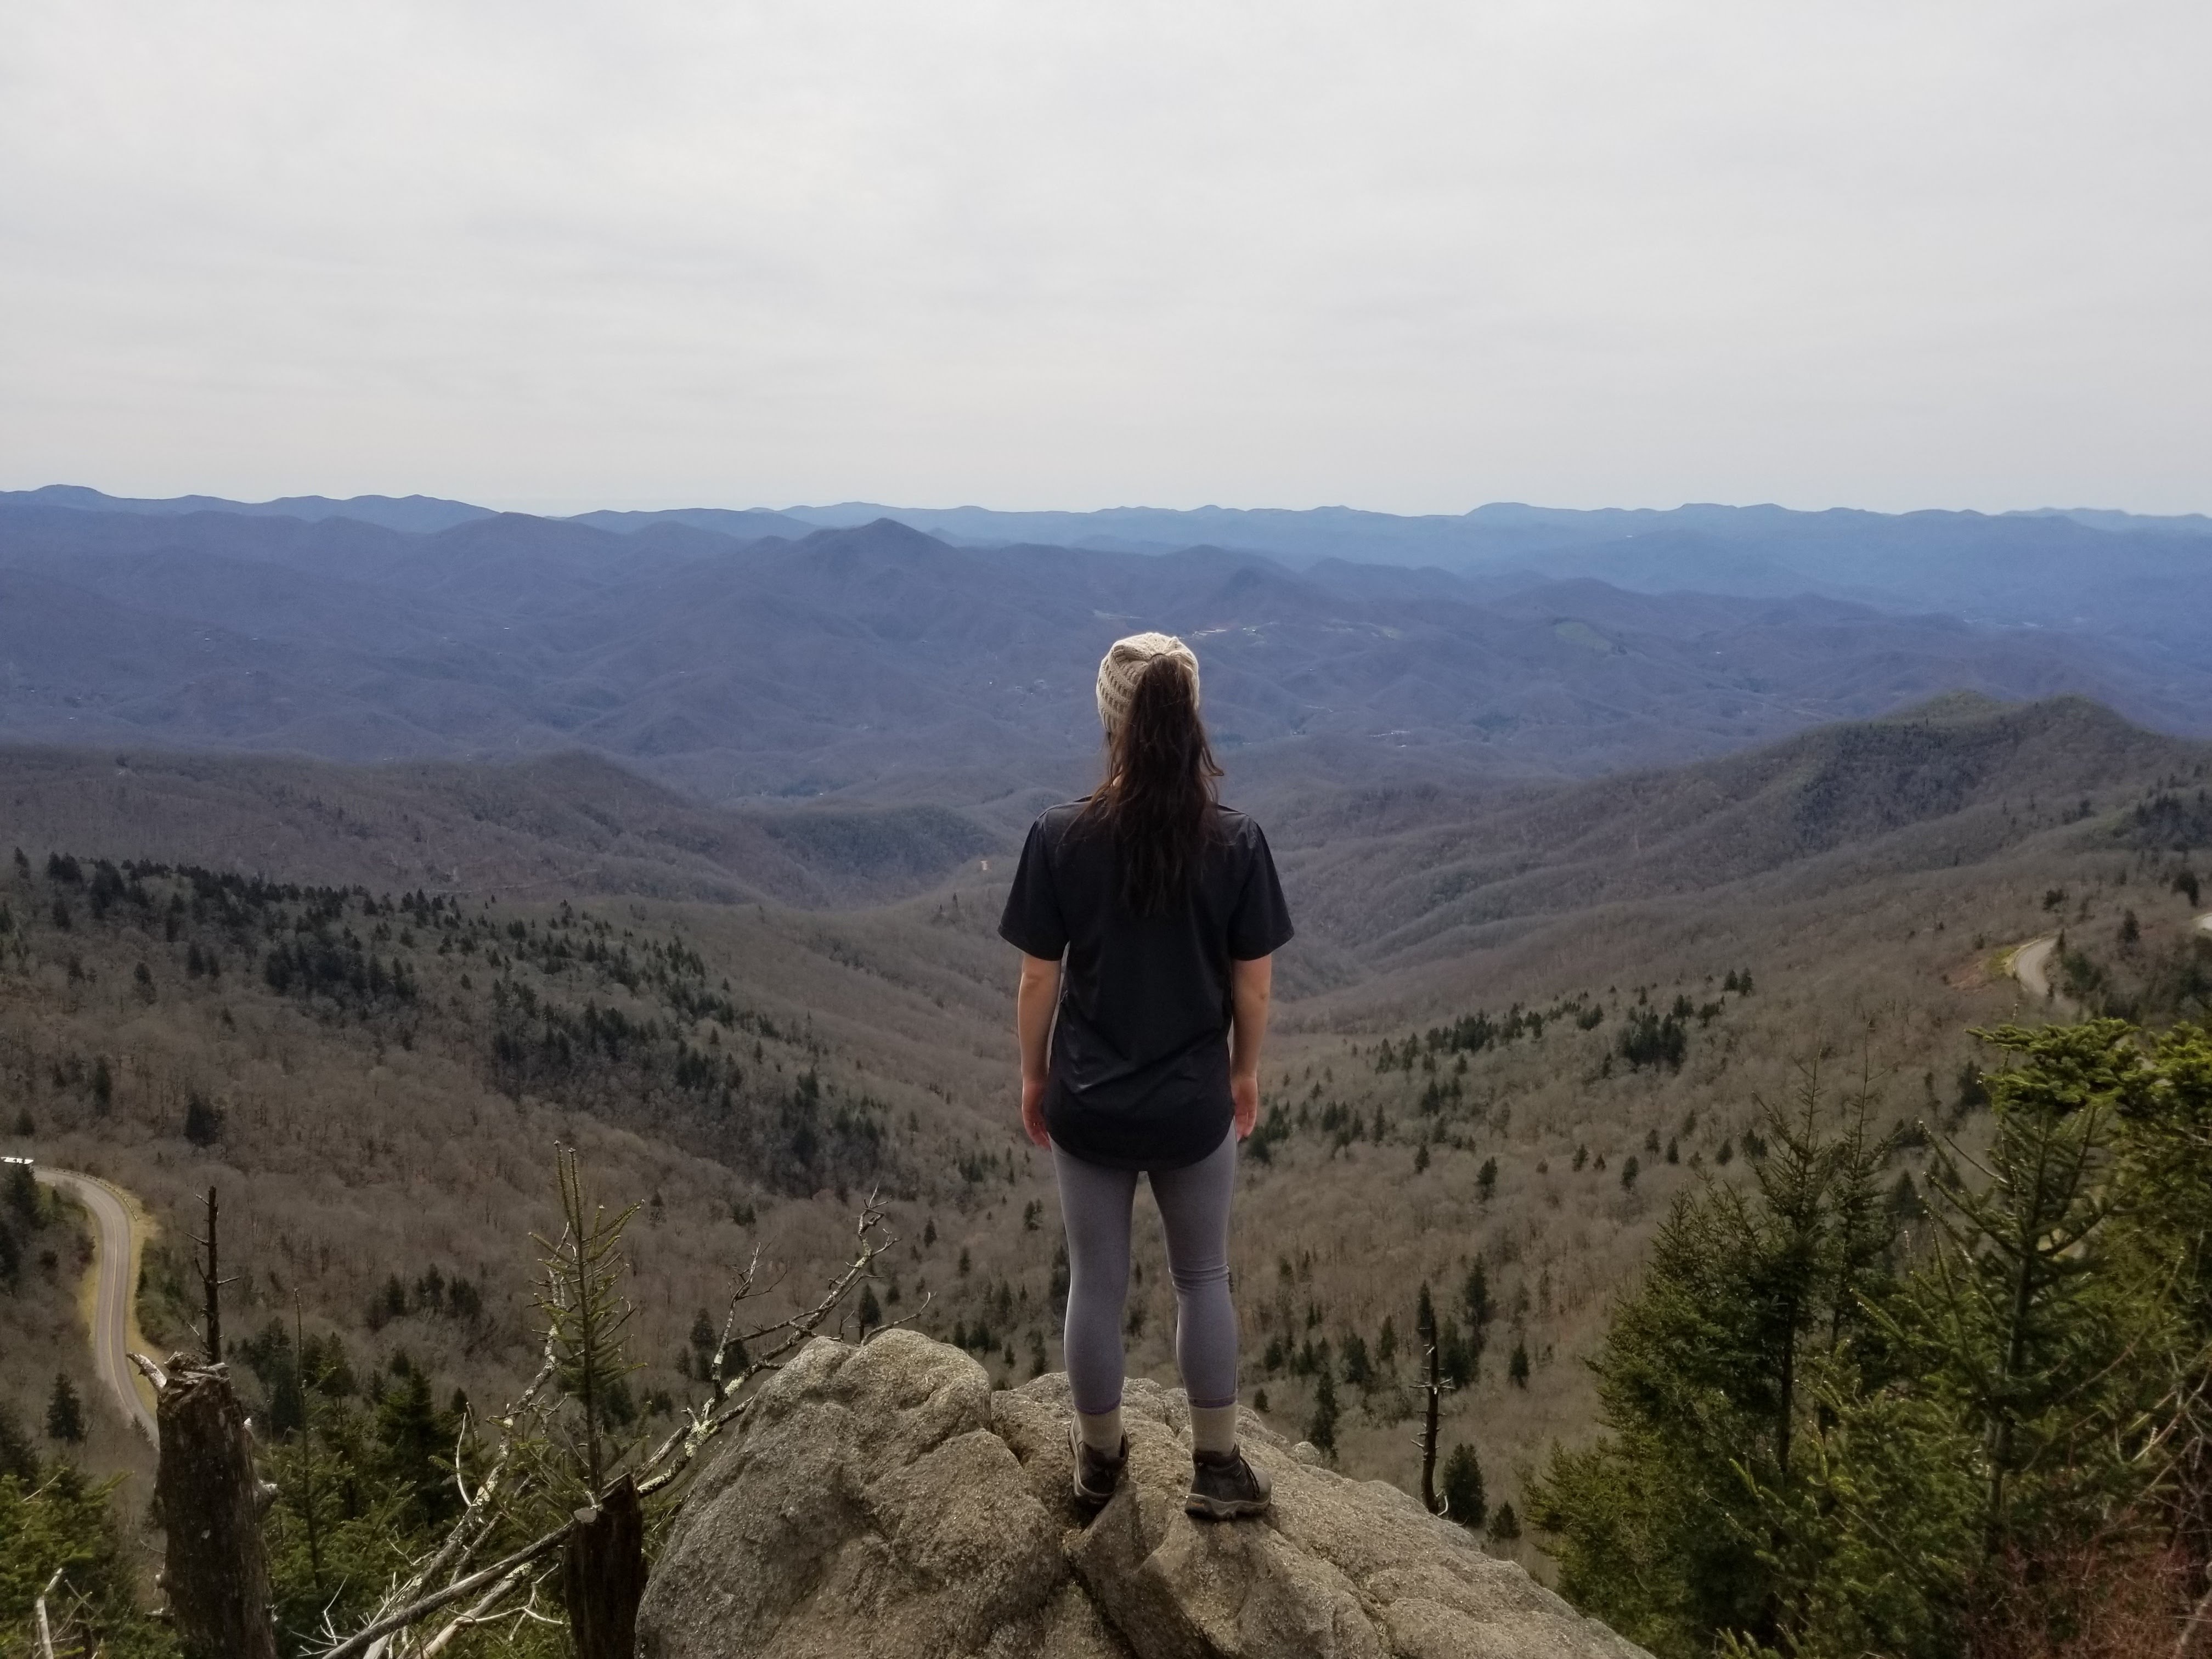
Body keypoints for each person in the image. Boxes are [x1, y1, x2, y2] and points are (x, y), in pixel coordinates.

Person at [997, 632, 1293, 1521]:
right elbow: (1255, 982)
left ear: (1110, 719)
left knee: (1097, 1281)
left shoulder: (1060, 837)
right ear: (1190, 716)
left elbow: (1039, 976)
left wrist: (1033, 1076)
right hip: (1191, 1104)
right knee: (1202, 1278)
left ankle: (1097, 1467)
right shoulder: (1236, 844)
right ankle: (1215, 1470)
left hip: (1089, 1096)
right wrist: (1244, 1074)